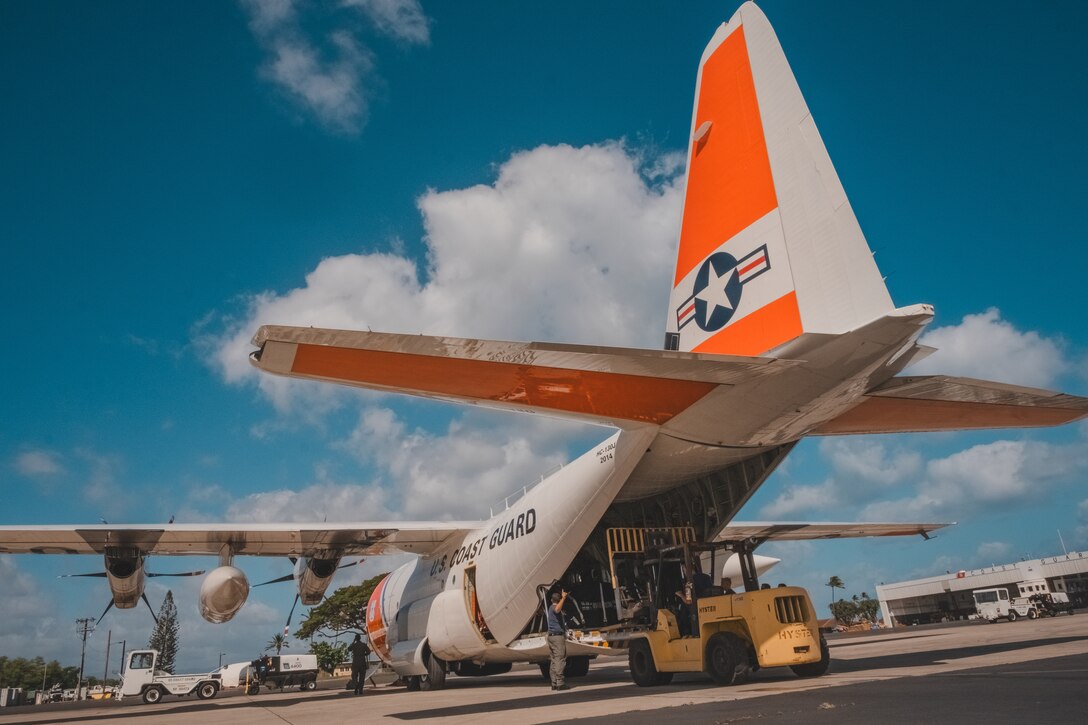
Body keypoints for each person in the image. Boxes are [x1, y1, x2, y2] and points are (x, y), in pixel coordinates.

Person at [547, 590, 570, 690]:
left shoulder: (549, 607)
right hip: (557, 637)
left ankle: (554, 682)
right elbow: (557, 609)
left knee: (554, 660)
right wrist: (564, 598)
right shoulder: (554, 608)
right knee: (560, 659)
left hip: (551, 637)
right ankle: (560, 683)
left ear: (551, 599)